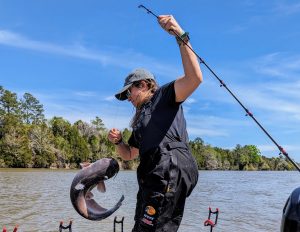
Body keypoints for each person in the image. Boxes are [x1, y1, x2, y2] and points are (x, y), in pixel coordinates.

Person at [108, 15, 203, 232]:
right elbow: (129, 154)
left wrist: (180, 35)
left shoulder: (164, 96)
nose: (128, 98)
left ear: (143, 85)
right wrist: (118, 142)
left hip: (169, 170)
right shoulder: (140, 121)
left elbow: (194, 79)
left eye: (129, 92)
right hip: (152, 177)